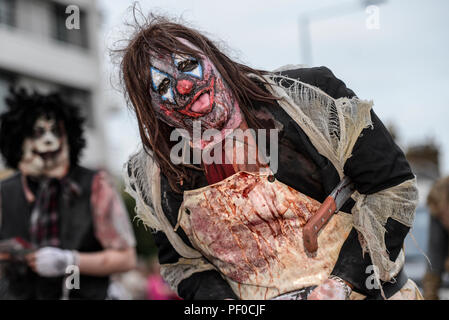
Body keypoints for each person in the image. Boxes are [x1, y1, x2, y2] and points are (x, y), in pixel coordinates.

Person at [119, 14, 421, 300]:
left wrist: (343, 282)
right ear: (151, 108)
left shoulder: (308, 100)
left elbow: (390, 187)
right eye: (163, 86)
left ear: (212, 58)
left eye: (188, 65)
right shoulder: (158, 175)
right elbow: (184, 266)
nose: (184, 87)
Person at [0, 89, 137, 299]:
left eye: (56, 131)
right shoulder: (5, 191)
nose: (48, 140)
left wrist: (70, 261)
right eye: (37, 133)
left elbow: (126, 258)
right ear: (19, 140)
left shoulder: (96, 185)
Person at [422, 176, 449, 300]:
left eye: (442, 215)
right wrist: (430, 293)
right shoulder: (439, 221)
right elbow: (435, 255)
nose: (442, 222)